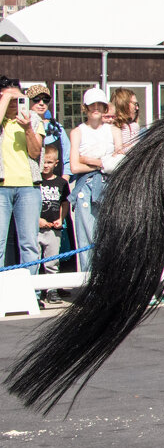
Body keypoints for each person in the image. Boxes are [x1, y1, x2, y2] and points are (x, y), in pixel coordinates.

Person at [68, 87, 119, 272]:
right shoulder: (77, 132)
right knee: (86, 236)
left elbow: (119, 162)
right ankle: (88, 281)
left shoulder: (113, 131)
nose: (96, 108)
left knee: (108, 235)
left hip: (110, 185)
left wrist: (91, 160)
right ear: (85, 108)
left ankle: (107, 278)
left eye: (100, 104)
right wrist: (104, 163)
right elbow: (75, 166)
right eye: (92, 105)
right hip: (86, 186)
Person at [0, 76, 44, 274]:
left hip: (28, 187)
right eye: (9, 98)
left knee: (29, 243)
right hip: (2, 187)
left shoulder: (33, 119)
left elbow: (35, 153)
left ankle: (31, 291)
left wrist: (27, 128)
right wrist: (5, 99)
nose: (14, 103)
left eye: (17, 98)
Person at [35, 145, 69, 304]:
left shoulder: (61, 182)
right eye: (43, 162)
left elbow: (64, 203)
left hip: (54, 229)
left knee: (52, 261)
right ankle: (35, 291)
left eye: (49, 162)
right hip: (36, 228)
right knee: (34, 260)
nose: (46, 165)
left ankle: (52, 290)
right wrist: (37, 220)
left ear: (56, 163)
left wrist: (61, 219)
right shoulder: (35, 181)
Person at [110, 88, 141, 153]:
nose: (137, 108)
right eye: (134, 104)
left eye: (137, 105)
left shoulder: (134, 126)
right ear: (124, 104)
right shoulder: (111, 126)